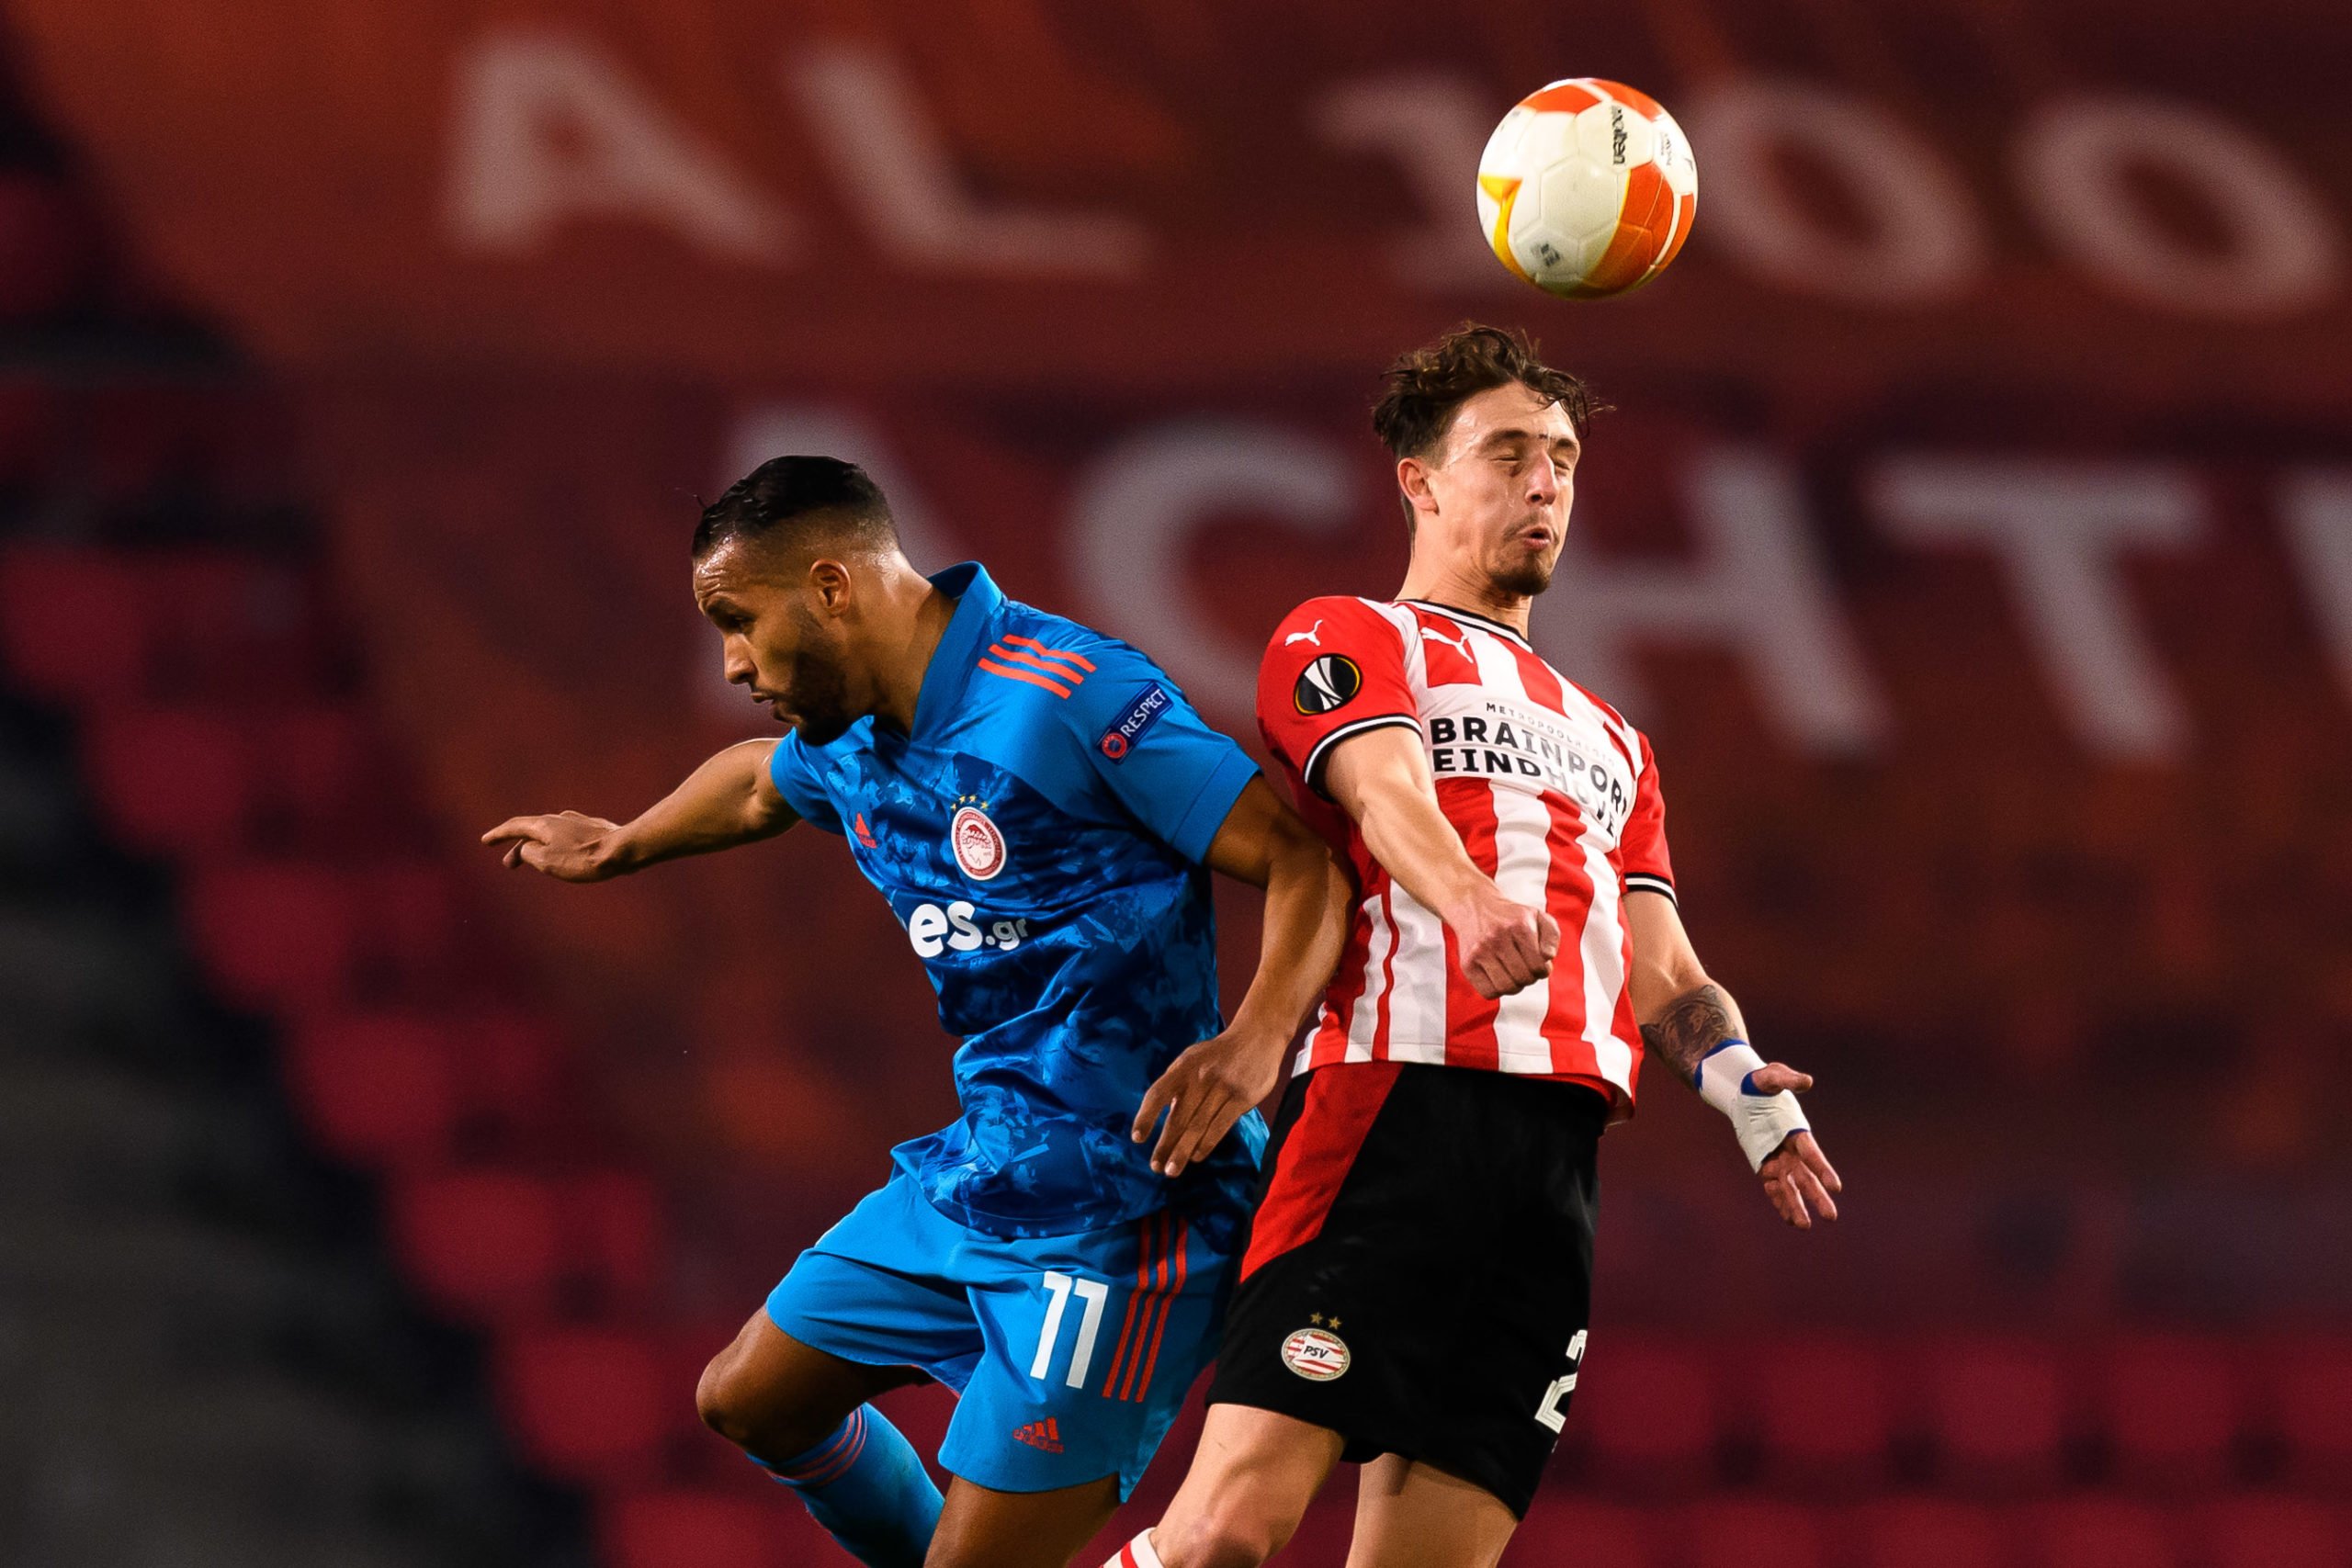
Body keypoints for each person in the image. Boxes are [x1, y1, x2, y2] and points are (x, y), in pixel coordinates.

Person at [483, 457, 1349, 1568]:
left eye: (737, 621)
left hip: (1122, 1222)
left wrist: (1254, 1042)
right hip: (980, 1176)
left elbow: (1300, 863)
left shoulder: (1067, 698)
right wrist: (625, 842)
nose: (735, 662)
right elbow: (760, 780)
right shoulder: (849, 733)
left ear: (833, 587)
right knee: (748, 1400)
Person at [1104, 325, 1847, 1568]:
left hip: (1550, 1167)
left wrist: (1742, 1087)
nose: (1545, 482)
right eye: (1507, 453)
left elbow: (1658, 961)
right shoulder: (1347, 635)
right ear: (1420, 479)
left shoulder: (1612, 734)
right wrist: (1466, 898)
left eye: (1560, 456)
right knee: (1224, 1532)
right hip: (1396, 1108)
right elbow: (1381, 787)